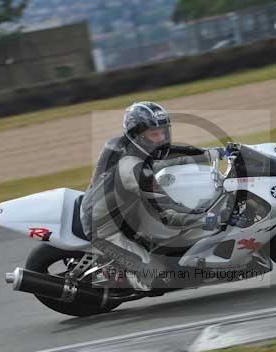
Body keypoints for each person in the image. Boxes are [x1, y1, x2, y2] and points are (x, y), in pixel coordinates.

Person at [81, 101, 222, 291]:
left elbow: (171, 157)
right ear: (138, 136)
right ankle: (110, 275)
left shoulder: (129, 146)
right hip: (106, 228)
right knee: (158, 278)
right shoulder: (132, 169)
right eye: (154, 134)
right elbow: (168, 212)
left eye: (163, 131)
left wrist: (214, 153)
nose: (161, 138)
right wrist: (208, 218)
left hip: (127, 210)